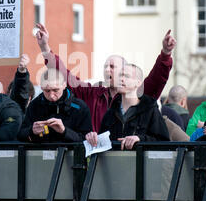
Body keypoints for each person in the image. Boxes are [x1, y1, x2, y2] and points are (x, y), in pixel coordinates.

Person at [35, 23, 176, 132]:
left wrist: (166, 53)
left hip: (126, 157)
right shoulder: (92, 93)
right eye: (105, 66)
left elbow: (157, 79)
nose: (107, 70)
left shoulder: (137, 95)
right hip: (95, 160)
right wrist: (45, 48)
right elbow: (64, 76)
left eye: (112, 67)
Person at [85, 63, 170, 150]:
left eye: (126, 76)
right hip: (114, 163)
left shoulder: (150, 110)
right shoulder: (110, 114)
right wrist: (93, 138)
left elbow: (164, 143)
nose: (121, 79)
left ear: (138, 83)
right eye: (119, 76)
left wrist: (140, 139)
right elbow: (102, 147)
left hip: (140, 163)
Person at [18, 68, 92, 143]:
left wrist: (64, 131)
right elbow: (20, 135)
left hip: (70, 153)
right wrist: (31, 131)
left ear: (64, 85)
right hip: (41, 153)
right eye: (47, 91)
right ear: (41, 88)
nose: (51, 96)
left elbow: (86, 140)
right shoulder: (34, 105)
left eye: (55, 90)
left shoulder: (80, 107)